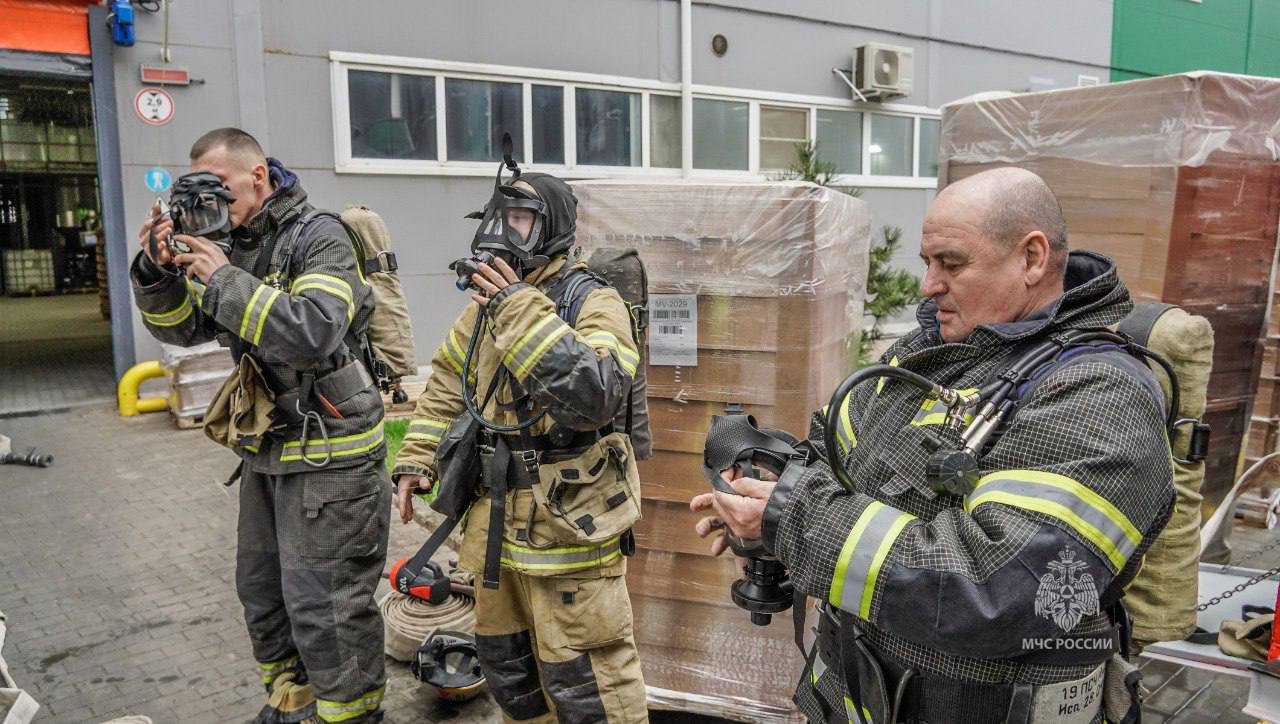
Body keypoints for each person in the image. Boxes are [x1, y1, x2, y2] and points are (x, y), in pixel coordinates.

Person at [693, 167, 1176, 723]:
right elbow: (834, 455)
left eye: (952, 263)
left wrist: (794, 519)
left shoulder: (1099, 395)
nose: (928, 285)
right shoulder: (926, 354)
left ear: (1032, 258)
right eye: (927, 263)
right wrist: (765, 502)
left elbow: (997, 591)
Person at [131, 128, 389, 724]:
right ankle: (291, 702)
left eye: (218, 186)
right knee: (264, 596)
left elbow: (314, 331)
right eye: (198, 192)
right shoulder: (229, 245)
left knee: (326, 609)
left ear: (258, 176)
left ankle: (351, 716)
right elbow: (182, 330)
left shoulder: (319, 235)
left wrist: (222, 276)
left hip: (333, 456)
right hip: (268, 450)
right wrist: (157, 271)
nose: (210, 203)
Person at [393, 171, 649, 723]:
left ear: (551, 228)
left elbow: (597, 392)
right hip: (495, 530)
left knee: (588, 684)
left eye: (517, 219)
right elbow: (447, 382)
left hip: (569, 526)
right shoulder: (484, 307)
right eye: (495, 217)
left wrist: (514, 304)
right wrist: (415, 458)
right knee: (512, 673)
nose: (498, 232)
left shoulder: (593, 301)